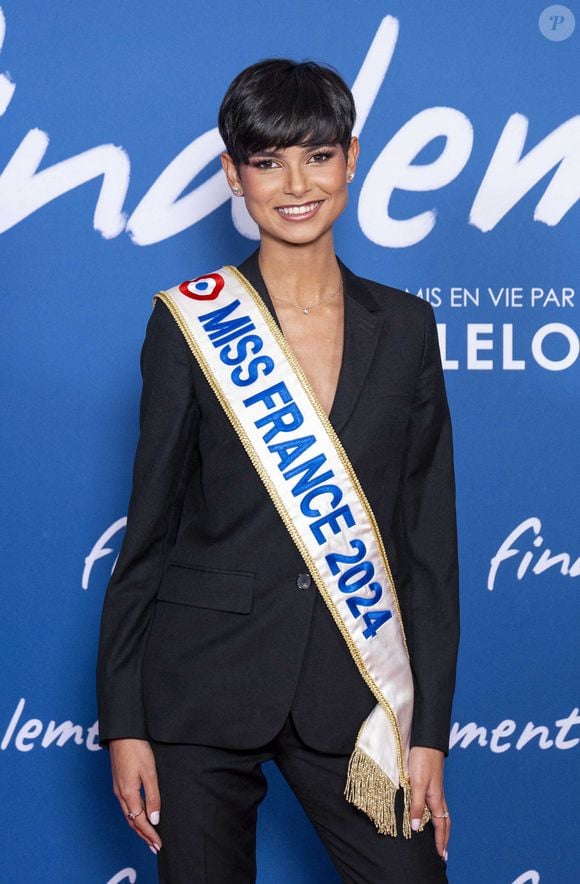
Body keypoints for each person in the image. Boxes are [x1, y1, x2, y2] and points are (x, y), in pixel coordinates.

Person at [96, 58, 460, 883]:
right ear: (234, 174)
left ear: (353, 158)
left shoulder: (406, 327)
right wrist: (123, 721)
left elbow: (429, 545)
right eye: (266, 161)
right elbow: (145, 532)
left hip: (357, 696)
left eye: (318, 155)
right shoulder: (189, 322)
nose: (295, 183)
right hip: (199, 686)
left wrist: (429, 730)